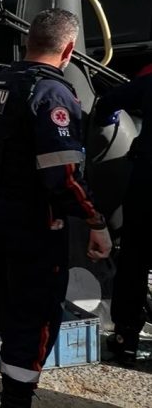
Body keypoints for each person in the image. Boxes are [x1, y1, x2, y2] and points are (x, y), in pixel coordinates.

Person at [0, 9, 112, 408]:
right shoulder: (53, 94)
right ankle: (16, 400)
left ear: (30, 42)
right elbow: (65, 177)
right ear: (70, 49)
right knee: (34, 312)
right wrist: (95, 220)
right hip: (35, 225)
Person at [95, 66, 152, 367]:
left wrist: (108, 120)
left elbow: (107, 103)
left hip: (146, 185)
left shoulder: (149, 80)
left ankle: (125, 339)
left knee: (134, 260)